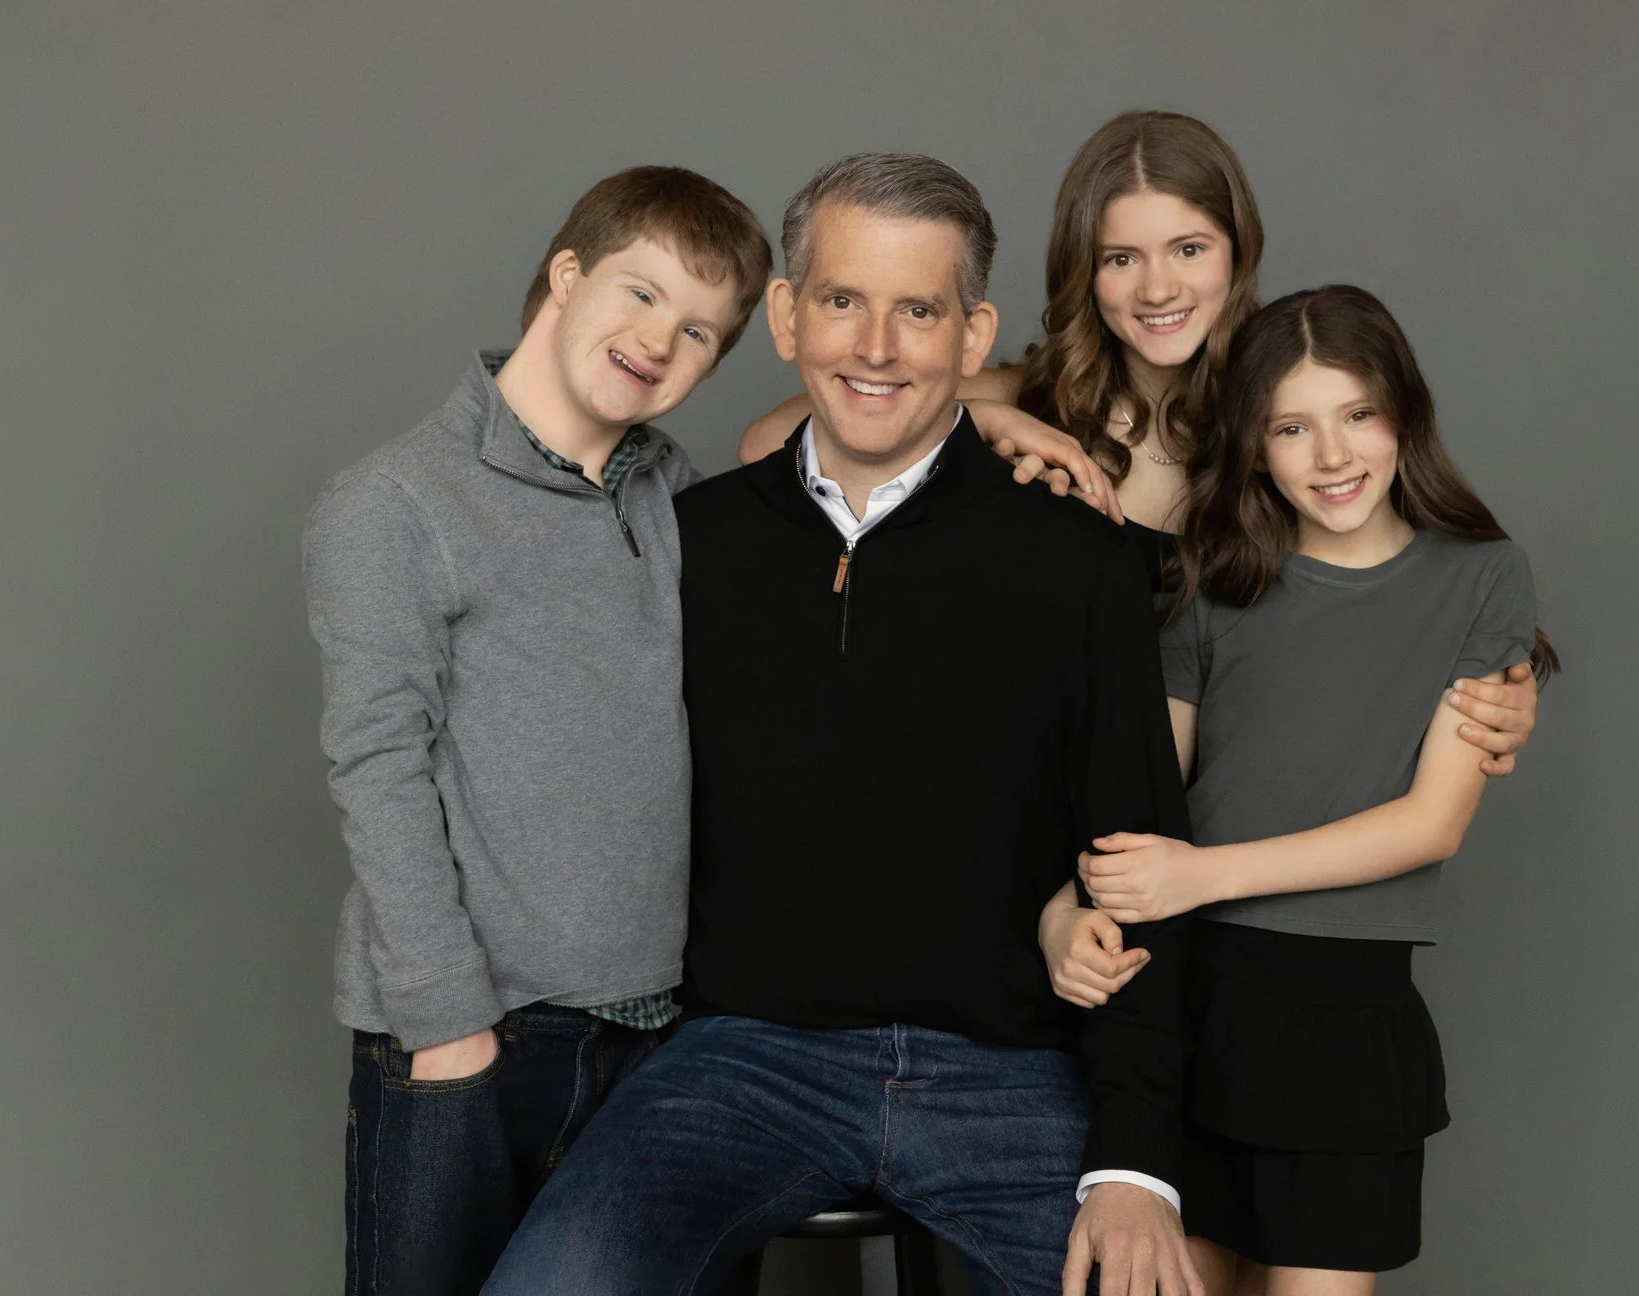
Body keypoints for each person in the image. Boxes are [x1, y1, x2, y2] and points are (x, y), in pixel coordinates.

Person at [484, 152, 1203, 1296]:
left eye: (916, 310)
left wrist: (1133, 1167)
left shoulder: (1081, 563)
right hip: (742, 1062)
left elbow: (1140, 863)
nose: (875, 347)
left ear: (973, 338)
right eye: (840, 301)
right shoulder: (690, 546)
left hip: (1014, 1070)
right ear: (783, 315)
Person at [744, 110, 1540, 1012]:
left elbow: (1406, 586)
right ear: (1086, 271)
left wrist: (1495, 692)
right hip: (1022, 853)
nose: (1157, 286)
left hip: (1205, 871)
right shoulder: (1024, 393)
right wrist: (991, 418)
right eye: (1122, 258)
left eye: (1190, 249)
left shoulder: (1286, 423)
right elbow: (768, 444)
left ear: (1238, 251)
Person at [301, 165, 776, 1295]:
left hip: (663, 1038)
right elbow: (378, 766)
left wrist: (992, 409)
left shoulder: (666, 494)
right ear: (565, 277)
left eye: (702, 330)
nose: (662, 341)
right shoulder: (397, 503)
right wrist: (447, 1025)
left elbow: (834, 429)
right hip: (480, 1037)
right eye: (641, 294)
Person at [1061, 285, 1562, 1293]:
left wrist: (1198, 876)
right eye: (1291, 428)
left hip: (1345, 1024)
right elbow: (1144, 790)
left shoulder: (1481, 576)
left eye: (1356, 416)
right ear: (1251, 445)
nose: (1331, 457)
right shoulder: (1208, 579)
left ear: (1403, 417)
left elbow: (1431, 823)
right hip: (1192, 999)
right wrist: (1066, 906)